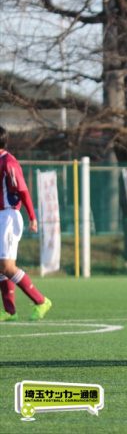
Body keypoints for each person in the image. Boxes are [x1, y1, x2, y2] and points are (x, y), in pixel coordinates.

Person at [0, 126, 51, 322]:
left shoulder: (8, 162)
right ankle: (9, 311)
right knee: (0, 265)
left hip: (9, 216)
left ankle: (41, 301)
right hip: (1, 217)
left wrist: (32, 217)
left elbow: (23, 190)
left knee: (7, 266)